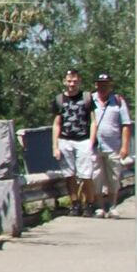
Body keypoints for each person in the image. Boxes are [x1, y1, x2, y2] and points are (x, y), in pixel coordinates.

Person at [51, 69, 96, 217]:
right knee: (69, 175)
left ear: (79, 81)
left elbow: (93, 121)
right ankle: (75, 204)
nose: (72, 84)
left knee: (86, 175)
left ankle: (89, 203)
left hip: (83, 140)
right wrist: (55, 146)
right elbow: (57, 124)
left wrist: (91, 141)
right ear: (65, 82)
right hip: (65, 140)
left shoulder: (86, 98)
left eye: (75, 81)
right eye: (69, 81)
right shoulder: (59, 100)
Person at [89, 72, 132, 218]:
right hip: (95, 147)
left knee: (114, 178)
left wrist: (125, 146)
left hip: (113, 146)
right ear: (96, 85)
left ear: (110, 85)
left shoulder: (118, 101)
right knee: (96, 177)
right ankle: (100, 207)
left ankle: (113, 206)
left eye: (105, 84)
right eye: (100, 84)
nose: (102, 87)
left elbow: (126, 124)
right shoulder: (90, 99)